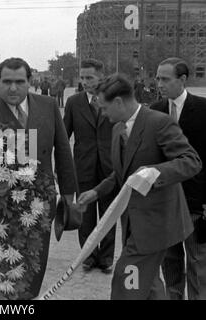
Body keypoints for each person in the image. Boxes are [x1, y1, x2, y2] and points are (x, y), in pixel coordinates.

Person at [78, 73, 202, 300]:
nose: (102, 114)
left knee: (127, 279)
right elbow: (122, 174)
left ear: (118, 102)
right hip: (133, 223)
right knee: (151, 285)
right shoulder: (118, 129)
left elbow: (191, 161)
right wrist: (96, 192)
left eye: (104, 108)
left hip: (158, 223)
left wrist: (155, 172)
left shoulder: (158, 122)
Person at [0, 57, 78, 299]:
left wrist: (68, 195)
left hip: (41, 202)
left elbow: (63, 150)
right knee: (3, 265)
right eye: (7, 82)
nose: (13, 88)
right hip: (1, 208)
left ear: (29, 82)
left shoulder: (48, 105)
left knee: (35, 262)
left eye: (19, 82)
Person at [150, 57, 206, 300]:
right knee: (171, 262)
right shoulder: (154, 111)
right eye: (157, 78)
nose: (159, 83)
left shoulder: (203, 110)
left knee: (198, 264)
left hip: (197, 203)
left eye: (165, 79)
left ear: (182, 80)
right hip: (166, 202)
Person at [64, 59, 116, 274]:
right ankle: (88, 256)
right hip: (83, 166)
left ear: (101, 77)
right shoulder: (74, 102)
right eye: (82, 77)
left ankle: (106, 258)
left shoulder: (113, 100)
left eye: (89, 78)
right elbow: (64, 135)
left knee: (108, 213)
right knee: (85, 217)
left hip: (110, 167)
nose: (85, 82)